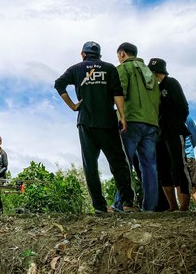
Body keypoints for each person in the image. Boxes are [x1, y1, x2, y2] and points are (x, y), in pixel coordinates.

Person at [54, 41, 137, 213]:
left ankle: (99, 206)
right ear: (99, 55)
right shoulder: (109, 68)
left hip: (85, 123)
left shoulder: (76, 69)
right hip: (107, 122)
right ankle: (127, 203)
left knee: (90, 165)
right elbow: (117, 93)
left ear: (82, 54)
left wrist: (72, 105)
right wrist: (122, 116)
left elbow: (59, 84)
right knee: (118, 163)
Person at [114, 42, 160, 212]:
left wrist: (121, 116)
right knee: (149, 166)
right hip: (151, 123)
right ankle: (150, 207)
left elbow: (120, 93)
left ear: (123, 54)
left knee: (124, 163)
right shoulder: (150, 73)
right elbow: (157, 101)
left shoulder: (123, 69)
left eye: (118, 56)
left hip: (131, 121)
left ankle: (121, 203)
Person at [148, 58, 192, 211]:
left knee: (178, 167)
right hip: (159, 134)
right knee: (162, 168)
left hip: (174, 131)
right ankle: (172, 205)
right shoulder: (153, 89)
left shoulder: (171, 83)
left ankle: (184, 206)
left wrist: (176, 124)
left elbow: (183, 107)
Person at [184, 116, 196, 203]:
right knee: (193, 186)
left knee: (183, 186)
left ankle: (183, 208)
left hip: (186, 156)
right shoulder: (187, 118)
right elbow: (194, 137)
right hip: (189, 156)